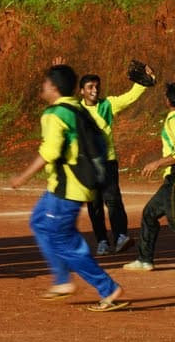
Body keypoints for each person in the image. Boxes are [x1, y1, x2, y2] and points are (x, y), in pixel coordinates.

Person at [11, 64, 127, 312]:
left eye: (45, 83)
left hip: (68, 188)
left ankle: (107, 288)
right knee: (39, 222)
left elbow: (50, 152)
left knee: (64, 241)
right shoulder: (77, 107)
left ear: (53, 87)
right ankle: (62, 280)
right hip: (71, 184)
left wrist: (23, 177)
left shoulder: (54, 114)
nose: (42, 87)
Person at [79, 72, 151, 255]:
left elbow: (129, 98)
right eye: (90, 87)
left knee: (114, 201)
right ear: (81, 91)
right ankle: (102, 241)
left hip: (108, 161)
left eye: (97, 86)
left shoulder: (107, 104)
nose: (94, 90)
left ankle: (120, 237)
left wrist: (142, 83)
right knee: (94, 205)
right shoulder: (76, 111)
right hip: (87, 165)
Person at [123, 82, 175, 272]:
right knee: (149, 213)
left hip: (174, 180)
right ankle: (144, 259)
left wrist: (157, 163)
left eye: (165, 95)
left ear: (169, 100)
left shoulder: (173, 120)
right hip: (170, 179)